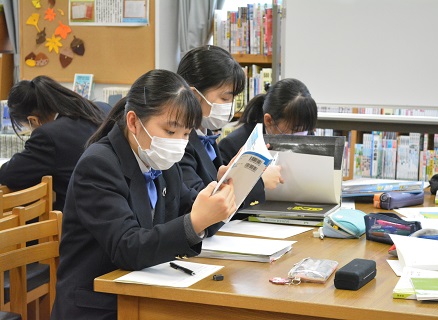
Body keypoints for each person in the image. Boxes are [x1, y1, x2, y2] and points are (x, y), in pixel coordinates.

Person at [51, 69, 236, 320]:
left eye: (185, 134)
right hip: (98, 304)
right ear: (133, 122)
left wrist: (222, 192)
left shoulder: (161, 162)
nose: (178, 144)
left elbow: (190, 209)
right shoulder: (98, 165)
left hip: (144, 291)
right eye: (170, 132)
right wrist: (196, 221)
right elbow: (127, 247)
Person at [0, 75, 105, 211]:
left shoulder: (48, 135)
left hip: (82, 217)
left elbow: (9, 174)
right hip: (121, 206)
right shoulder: (100, 109)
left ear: (33, 120)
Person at [218, 78, 318, 206]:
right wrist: (259, 182)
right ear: (268, 121)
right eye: (295, 130)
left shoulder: (305, 133)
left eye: (306, 130)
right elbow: (225, 200)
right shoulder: (233, 145)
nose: (301, 136)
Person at [176, 45, 262, 193]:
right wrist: (258, 182)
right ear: (194, 95)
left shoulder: (206, 132)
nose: (231, 106)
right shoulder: (178, 140)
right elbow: (197, 200)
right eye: (225, 98)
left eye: (233, 98)